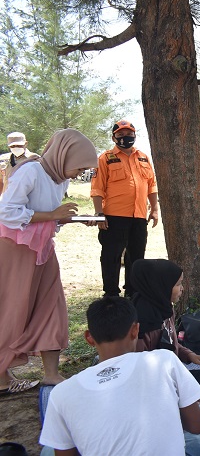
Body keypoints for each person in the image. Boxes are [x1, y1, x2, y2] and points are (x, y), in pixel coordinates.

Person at [39, 296, 200, 456]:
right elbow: (197, 425)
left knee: (50, 448)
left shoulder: (61, 393)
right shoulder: (164, 360)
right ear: (135, 330)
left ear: (89, 338)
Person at [0, 129, 97, 394]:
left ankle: (52, 374)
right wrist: (53, 214)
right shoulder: (30, 171)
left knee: (52, 305)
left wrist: (66, 218)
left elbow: (48, 221)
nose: (79, 174)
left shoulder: (59, 180)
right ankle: (2, 376)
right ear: (64, 155)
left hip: (42, 249)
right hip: (15, 251)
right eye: (79, 167)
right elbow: (7, 212)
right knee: (13, 308)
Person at [131, 259, 200, 405]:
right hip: (155, 389)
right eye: (177, 284)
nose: (182, 289)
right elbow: (140, 373)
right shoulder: (141, 324)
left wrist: (190, 355)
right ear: (160, 286)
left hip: (172, 376)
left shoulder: (165, 309)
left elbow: (170, 341)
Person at [90, 120, 159, 297]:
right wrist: (99, 214)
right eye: (120, 135)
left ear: (134, 136)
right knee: (111, 257)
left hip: (139, 216)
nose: (125, 138)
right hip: (114, 217)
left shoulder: (143, 157)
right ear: (113, 137)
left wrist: (155, 209)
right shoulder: (105, 158)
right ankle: (111, 294)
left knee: (136, 257)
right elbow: (97, 188)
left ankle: (133, 292)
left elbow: (151, 185)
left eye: (129, 134)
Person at [0, 132, 38, 197]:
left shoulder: (35, 159)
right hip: (7, 199)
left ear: (26, 143)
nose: (16, 147)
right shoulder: (3, 159)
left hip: (27, 199)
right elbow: (1, 181)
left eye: (19, 145)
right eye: (12, 146)